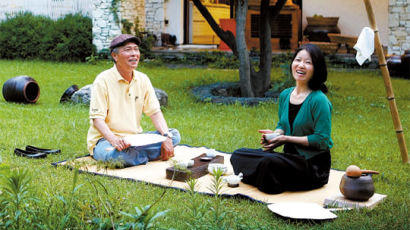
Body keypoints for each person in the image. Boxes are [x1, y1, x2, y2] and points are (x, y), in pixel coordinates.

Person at [230, 44, 333, 194]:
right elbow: (282, 125)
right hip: (288, 159)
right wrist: (275, 136)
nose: (301, 65)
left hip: (312, 166)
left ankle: (269, 180)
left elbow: (322, 140)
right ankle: (269, 179)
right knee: (238, 155)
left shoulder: (319, 100)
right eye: (298, 60)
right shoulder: (286, 95)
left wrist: (286, 139)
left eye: (308, 62)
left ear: (317, 68)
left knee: (268, 163)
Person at [87, 34, 181, 167]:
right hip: (105, 141)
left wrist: (166, 136)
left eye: (136, 49)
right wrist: (114, 140)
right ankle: (143, 155)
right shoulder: (102, 81)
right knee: (115, 156)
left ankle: (136, 155)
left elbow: (155, 112)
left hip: (134, 139)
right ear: (115, 56)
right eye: (128, 50)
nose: (134, 54)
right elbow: (97, 120)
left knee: (174, 135)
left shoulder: (143, 79)